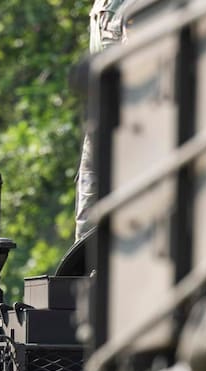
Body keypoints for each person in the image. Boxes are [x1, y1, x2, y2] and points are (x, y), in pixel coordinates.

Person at [75, 0, 130, 240]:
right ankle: (86, 268)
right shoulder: (102, 4)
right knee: (88, 204)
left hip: (128, 121)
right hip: (100, 117)